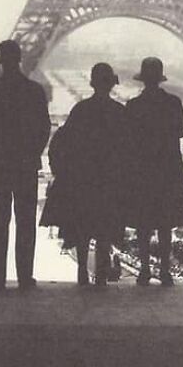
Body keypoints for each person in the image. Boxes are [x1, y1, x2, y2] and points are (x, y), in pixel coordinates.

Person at [0, 39, 51, 291]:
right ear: (20, 58)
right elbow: (44, 128)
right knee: (26, 222)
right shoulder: (34, 91)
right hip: (25, 164)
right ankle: (25, 276)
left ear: (0, 59)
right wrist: (32, 153)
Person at [58, 62, 128, 287]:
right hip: (109, 178)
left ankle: (82, 270)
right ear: (111, 85)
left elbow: (65, 141)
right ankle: (101, 273)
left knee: (83, 226)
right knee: (105, 228)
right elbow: (127, 147)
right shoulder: (119, 112)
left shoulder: (81, 110)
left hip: (85, 177)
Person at [125, 57, 183, 286]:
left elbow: (128, 138)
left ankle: (144, 269)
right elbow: (181, 131)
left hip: (142, 169)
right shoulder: (173, 103)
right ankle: (164, 270)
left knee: (143, 223)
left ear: (143, 79)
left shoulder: (133, 106)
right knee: (165, 223)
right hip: (167, 168)